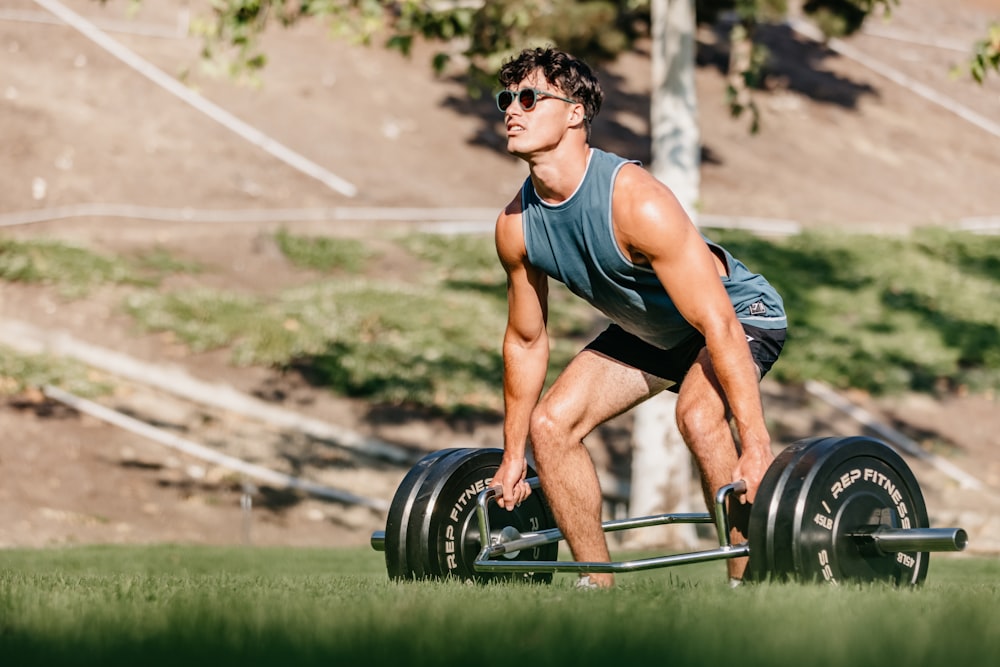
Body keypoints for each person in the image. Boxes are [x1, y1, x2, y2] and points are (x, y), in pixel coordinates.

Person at [489, 46, 787, 588]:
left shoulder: (635, 201)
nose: (513, 109)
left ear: (575, 112)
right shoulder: (516, 226)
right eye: (507, 98)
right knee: (551, 426)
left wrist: (757, 444)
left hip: (738, 314)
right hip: (649, 328)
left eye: (530, 98)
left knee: (698, 416)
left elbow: (718, 322)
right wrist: (513, 455)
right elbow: (526, 342)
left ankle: (750, 584)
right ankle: (595, 582)